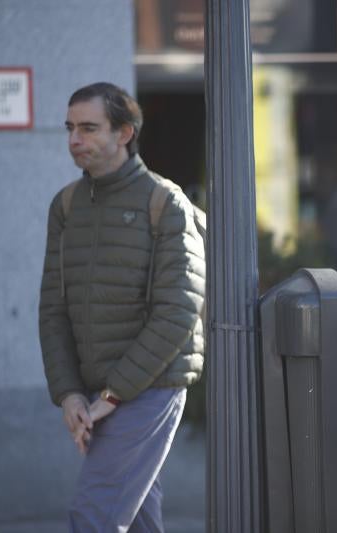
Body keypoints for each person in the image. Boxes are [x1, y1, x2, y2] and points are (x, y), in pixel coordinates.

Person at [38, 82, 206, 532]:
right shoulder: (67, 206)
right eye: (70, 128)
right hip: (96, 392)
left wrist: (113, 395)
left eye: (89, 128)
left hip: (151, 386)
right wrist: (70, 392)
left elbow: (178, 311)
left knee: (94, 515)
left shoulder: (165, 202)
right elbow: (53, 308)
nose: (75, 139)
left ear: (124, 133)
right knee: (137, 516)